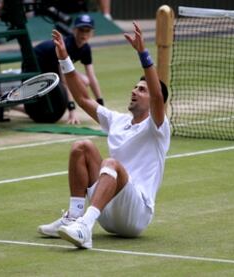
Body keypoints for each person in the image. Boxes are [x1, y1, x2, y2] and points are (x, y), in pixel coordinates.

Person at [37, 22, 170, 249]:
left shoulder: (157, 127)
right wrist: (64, 59)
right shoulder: (117, 120)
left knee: (111, 163)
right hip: (107, 212)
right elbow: (82, 99)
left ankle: (85, 228)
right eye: (135, 87)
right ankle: (75, 217)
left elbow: (158, 96)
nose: (134, 91)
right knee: (81, 146)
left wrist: (142, 53)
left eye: (142, 89)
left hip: (135, 216)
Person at [24, 14, 104, 124]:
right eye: (81, 30)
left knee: (85, 81)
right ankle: (11, 108)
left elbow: (91, 76)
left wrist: (101, 105)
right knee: (48, 101)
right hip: (35, 65)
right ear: (74, 30)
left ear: (92, 33)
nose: (84, 34)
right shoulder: (66, 46)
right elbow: (66, 81)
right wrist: (72, 110)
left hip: (52, 68)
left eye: (87, 30)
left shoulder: (85, 48)